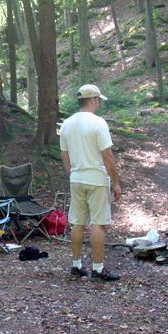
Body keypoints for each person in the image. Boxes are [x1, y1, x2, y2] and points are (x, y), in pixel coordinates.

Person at [59, 84, 121, 282]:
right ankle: (98, 268)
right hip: (96, 179)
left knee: (77, 222)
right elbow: (107, 155)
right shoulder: (98, 123)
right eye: (98, 100)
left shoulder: (67, 124)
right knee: (98, 223)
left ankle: (76, 265)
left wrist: (72, 174)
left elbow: (64, 154)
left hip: (76, 179)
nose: (98, 103)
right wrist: (116, 183)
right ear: (93, 100)